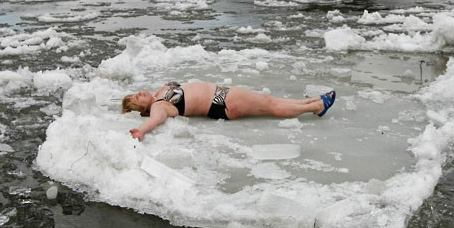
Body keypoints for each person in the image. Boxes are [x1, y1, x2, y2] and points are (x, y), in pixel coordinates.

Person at [122, 81, 335, 141]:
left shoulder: (160, 92)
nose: (138, 94)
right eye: (136, 99)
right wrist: (142, 130)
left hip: (220, 95)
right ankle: (316, 107)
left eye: (135, 93)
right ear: (143, 109)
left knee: (268, 100)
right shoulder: (159, 106)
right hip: (220, 103)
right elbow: (155, 120)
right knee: (269, 105)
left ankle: (312, 102)